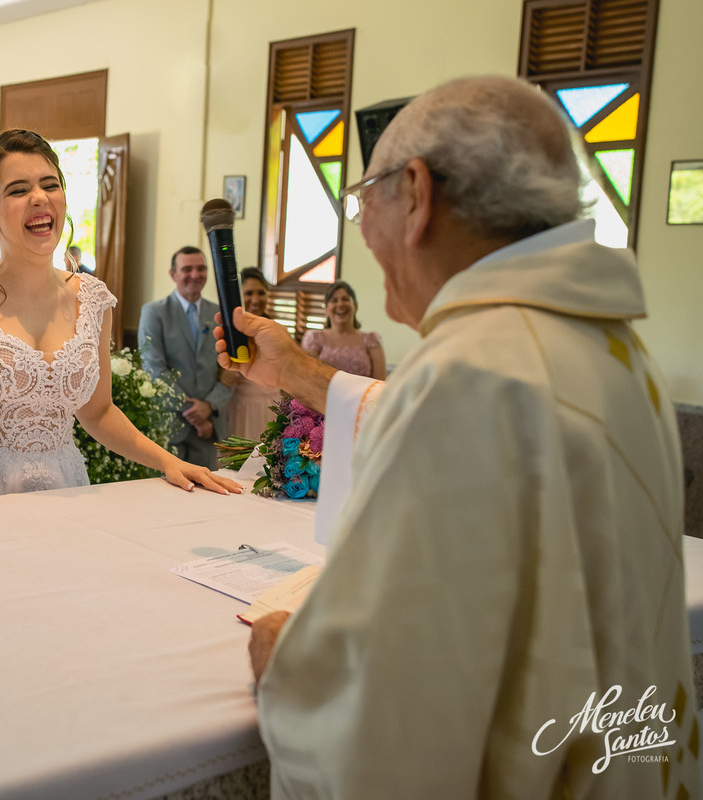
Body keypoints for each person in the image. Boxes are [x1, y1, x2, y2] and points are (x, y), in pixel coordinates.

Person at [215, 76, 698, 798]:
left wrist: (288, 661)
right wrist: (295, 371)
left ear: (416, 194)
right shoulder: (613, 351)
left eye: (365, 199)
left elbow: (391, 718)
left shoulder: (472, 373)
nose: (364, 230)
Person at [0, 129, 239, 505]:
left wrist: (169, 462)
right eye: (18, 190)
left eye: (50, 185)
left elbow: (99, 412)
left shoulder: (93, 300)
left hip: (63, 488)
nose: (40, 198)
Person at [137, 246, 233, 467]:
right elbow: (154, 370)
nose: (195, 275)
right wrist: (194, 413)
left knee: (206, 487)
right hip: (168, 426)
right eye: (187, 269)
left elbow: (230, 371)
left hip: (208, 428)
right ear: (173, 274)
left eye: (201, 269)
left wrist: (208, 406)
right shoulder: (154, 313)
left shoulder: (219, 314)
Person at [220, 267, 281, 439]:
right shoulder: (229, 332)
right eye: (249, 293)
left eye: (261, 293)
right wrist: (224, 373)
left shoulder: (277, 330)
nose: (255, 300)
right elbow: (221, 375)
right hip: (243, 408)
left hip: (273, 406)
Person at [300, 280, 386, 379]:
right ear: (326, 310)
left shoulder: (372, 340)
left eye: (345, 299)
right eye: (334, 300)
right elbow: (307, 378)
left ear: (355, 306)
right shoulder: (313, 339)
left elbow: (380, 382)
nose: (340, 304)